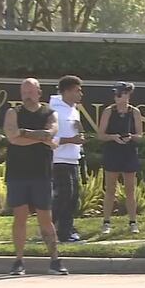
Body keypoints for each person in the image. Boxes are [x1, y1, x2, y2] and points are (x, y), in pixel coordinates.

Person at [4, 78, 67, 275]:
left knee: (45, 218)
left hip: (41, 173)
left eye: (31, 92)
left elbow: (50, 132)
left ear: (39, 92)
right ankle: (18, 261)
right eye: (24, 92)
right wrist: (40, 138)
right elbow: (13, 138)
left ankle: (55, 260)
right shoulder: (13, 112)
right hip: (17, 173)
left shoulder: (49, 113)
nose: (27, 96)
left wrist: (24, 133)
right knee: (20, 217)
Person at [97, 81, 143, 235]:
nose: (117, 97)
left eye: (120, 93)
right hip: (112, 151)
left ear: (127, 94)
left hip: (129, 152)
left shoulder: (134, 112)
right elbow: (100, 135)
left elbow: (140, 136)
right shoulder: (108, 111)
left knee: (130, 189)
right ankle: (106, 222)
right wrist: (113, 137)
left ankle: (133, 222)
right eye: (115, 94)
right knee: (110, 189)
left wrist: (131, 137)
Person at [51, 75, 86, 242]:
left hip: (73, 159)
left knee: (72, 197)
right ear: (66, 91)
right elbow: (51, 138)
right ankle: (60, 232)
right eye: (77, 90)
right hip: (58, 160)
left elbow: (76, 134)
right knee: (64, 196)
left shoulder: (74, 110)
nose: (80, 94)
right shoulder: (54, 110)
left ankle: (64, 229)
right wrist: (72, 140)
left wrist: (80, 136)